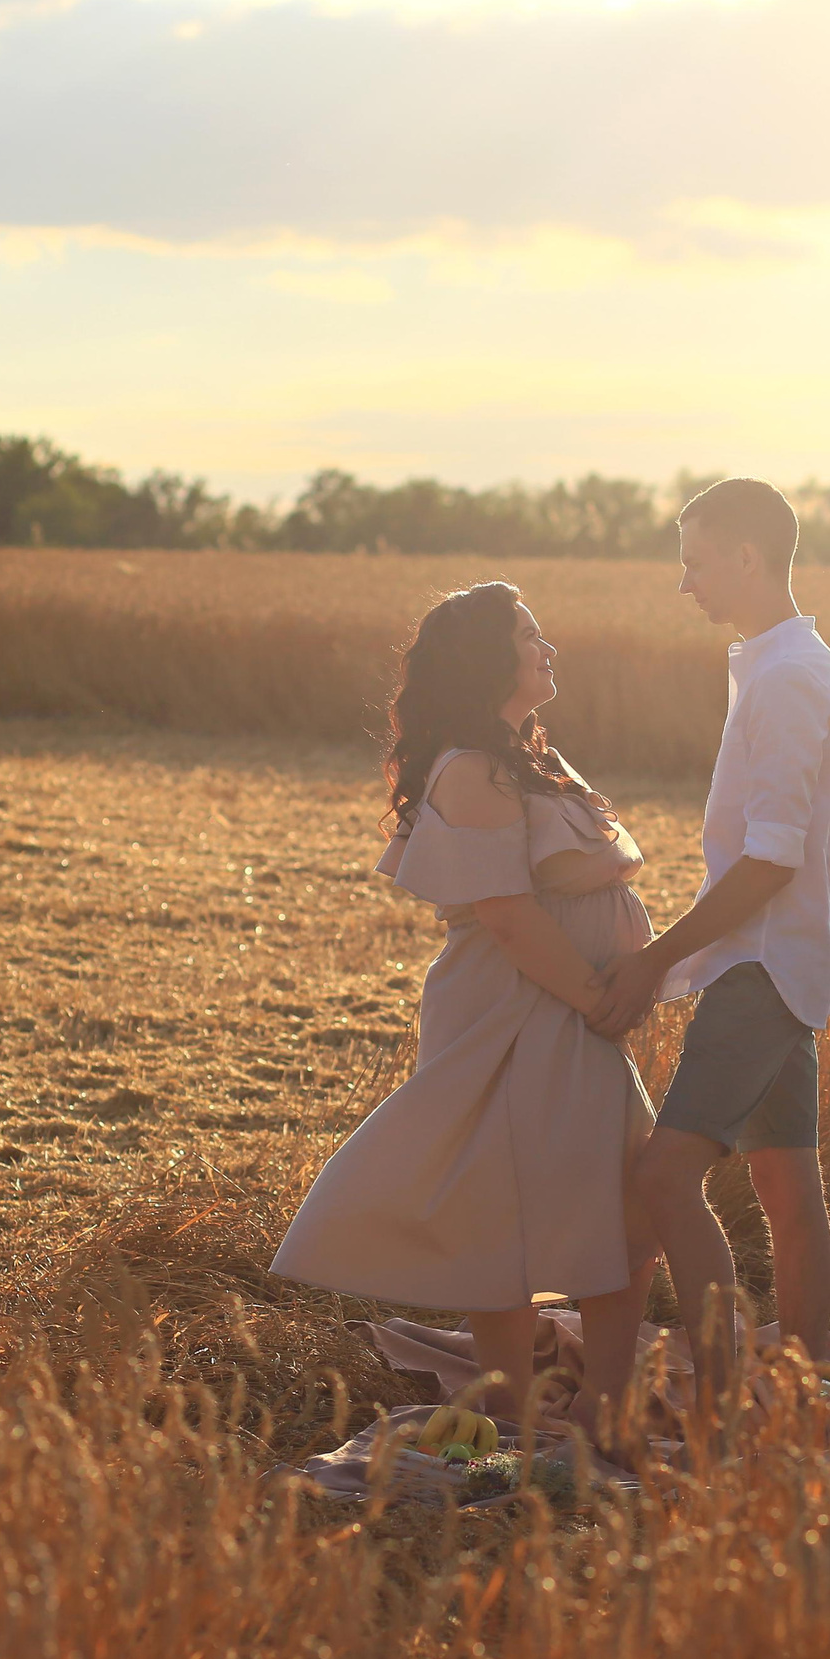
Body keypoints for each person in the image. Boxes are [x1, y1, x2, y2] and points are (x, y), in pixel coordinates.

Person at [271, 582, 661, 1439]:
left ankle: (602, 1393)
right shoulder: (471, 767)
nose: (549, 647)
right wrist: (602, 998)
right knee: (509, 1206)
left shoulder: (526, 752)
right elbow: (508, 915)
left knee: (622, 1195)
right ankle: (525, 1410)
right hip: (523, 1010)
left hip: (569, 1011)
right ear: (490, 658)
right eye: (530, 634)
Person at [590, 477, 830, 1410]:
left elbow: (770, 860)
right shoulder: (780, 661)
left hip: (762, 962)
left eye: (696, 561)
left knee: (665, 1179)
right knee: (788, 1180)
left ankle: (720, 1406)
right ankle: (807, 1374)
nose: (685, 583)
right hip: (786, 958)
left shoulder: (789, 679)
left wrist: (657, 955)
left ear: (749, 556)